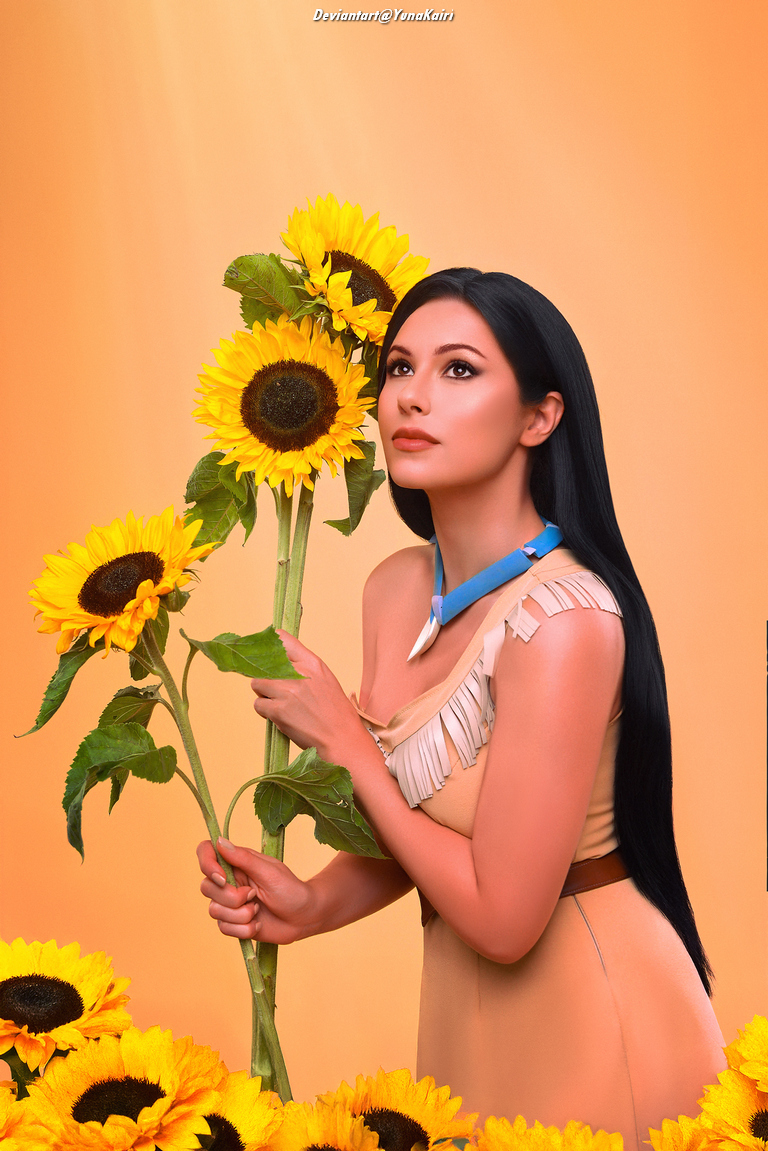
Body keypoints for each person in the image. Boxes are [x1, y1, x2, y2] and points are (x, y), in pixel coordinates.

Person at [197, 269, 726, 1147]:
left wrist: (347, 742)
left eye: (459, 370)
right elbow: (424, 820)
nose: (411, 397)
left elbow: (506, 918)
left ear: (538, 417)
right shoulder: (397, 590)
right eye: (399, 367)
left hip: (593, 1012)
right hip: (462, 1018)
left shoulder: (564, 623)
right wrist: (313, 902)